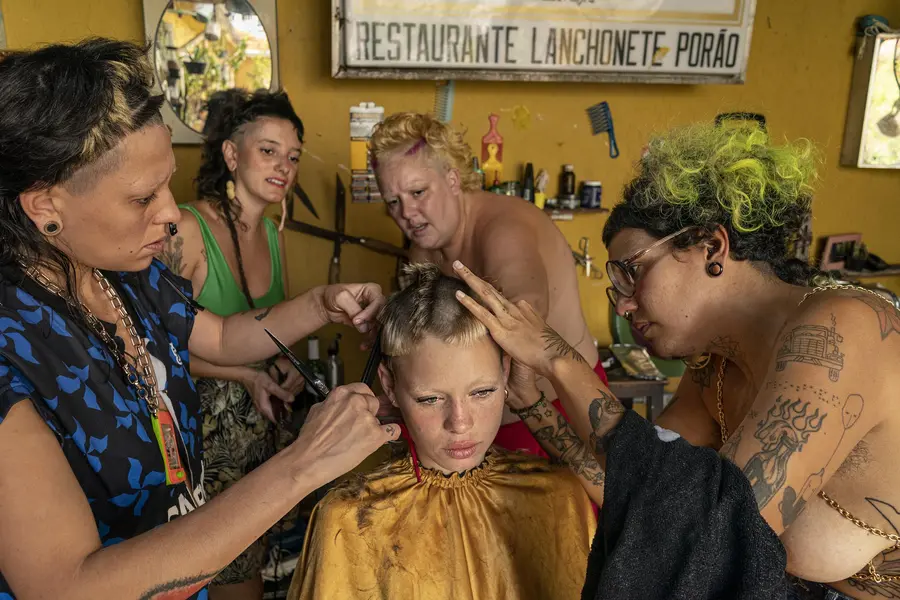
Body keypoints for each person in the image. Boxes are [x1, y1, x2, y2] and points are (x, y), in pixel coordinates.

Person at [0, 38, 399, 600]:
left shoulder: (125, 272)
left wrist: (318, 304)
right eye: (143, 198)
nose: (169, 214)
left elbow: (218, 334)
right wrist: (303, 464)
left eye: (167, 184)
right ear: (44, 206)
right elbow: (67, 587)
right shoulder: (10, 350)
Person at [456, 122, 900, 600]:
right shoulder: (715, 366)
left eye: (632, 271)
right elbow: (643, 493)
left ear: (712, 247)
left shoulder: (839, 328)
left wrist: (558, 358)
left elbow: (718, 526)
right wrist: (533, 404)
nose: (624, 305)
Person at [286, 263, 596, 600]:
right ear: (389, 385)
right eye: (430, 399)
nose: (460, 422)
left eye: (481, 392)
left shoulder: (558, 496)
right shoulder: (348, 521)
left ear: (506, 372)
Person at [369, 112, 608, 458]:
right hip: (470, 426)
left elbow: (525, 315)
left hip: (559, 413)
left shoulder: (503, 229)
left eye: (418, 192)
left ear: (452, 180)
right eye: (394, 201)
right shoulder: (423, 247)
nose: (406, 212)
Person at [161, 88, 306, 600]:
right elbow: (152, 349)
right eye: (267, 151)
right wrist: (243, 374)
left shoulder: (271, 235)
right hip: (198, 434)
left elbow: (269, 334)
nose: (282, 166)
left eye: (292, 156)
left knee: (251, 561)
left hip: (258, 433)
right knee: (216, 568)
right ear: (230, 154)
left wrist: (283, 366)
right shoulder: (184, 228)